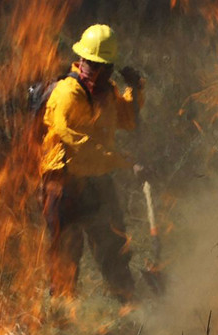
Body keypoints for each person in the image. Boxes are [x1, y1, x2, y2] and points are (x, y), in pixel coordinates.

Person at [40, 24, 145, 301]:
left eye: (99, 64)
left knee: (113, 247)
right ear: (80, 59)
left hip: (98, 181)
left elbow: (128, 120)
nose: (91, 68)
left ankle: (130, 310)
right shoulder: (67, 93)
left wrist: (135, 90)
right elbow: (77, 143)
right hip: (64, 184)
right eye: (88, 61)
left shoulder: (107, 92)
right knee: (66, 255)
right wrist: (123, 161)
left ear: (109, 68)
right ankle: (62, 324)